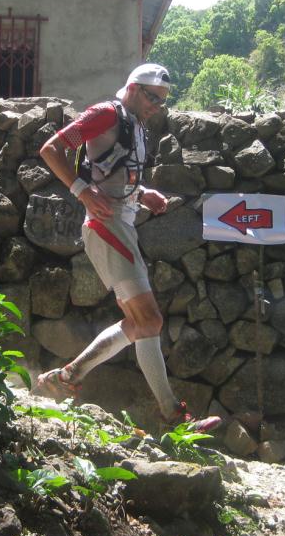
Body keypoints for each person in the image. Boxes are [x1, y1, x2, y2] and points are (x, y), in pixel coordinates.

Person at [35, 63, 220, 433]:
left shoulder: (134, 123)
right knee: (148, 320)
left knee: (142, 322)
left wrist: (142, 193)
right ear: (134, 88)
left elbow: (115, 173)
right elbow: (51, 149)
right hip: (107, 227)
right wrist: (82, 192)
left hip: (121, 224)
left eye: (162, 102)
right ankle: (171, 415)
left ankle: (67, 377)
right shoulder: (106, 113)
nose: (157, 106)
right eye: (153, 98)